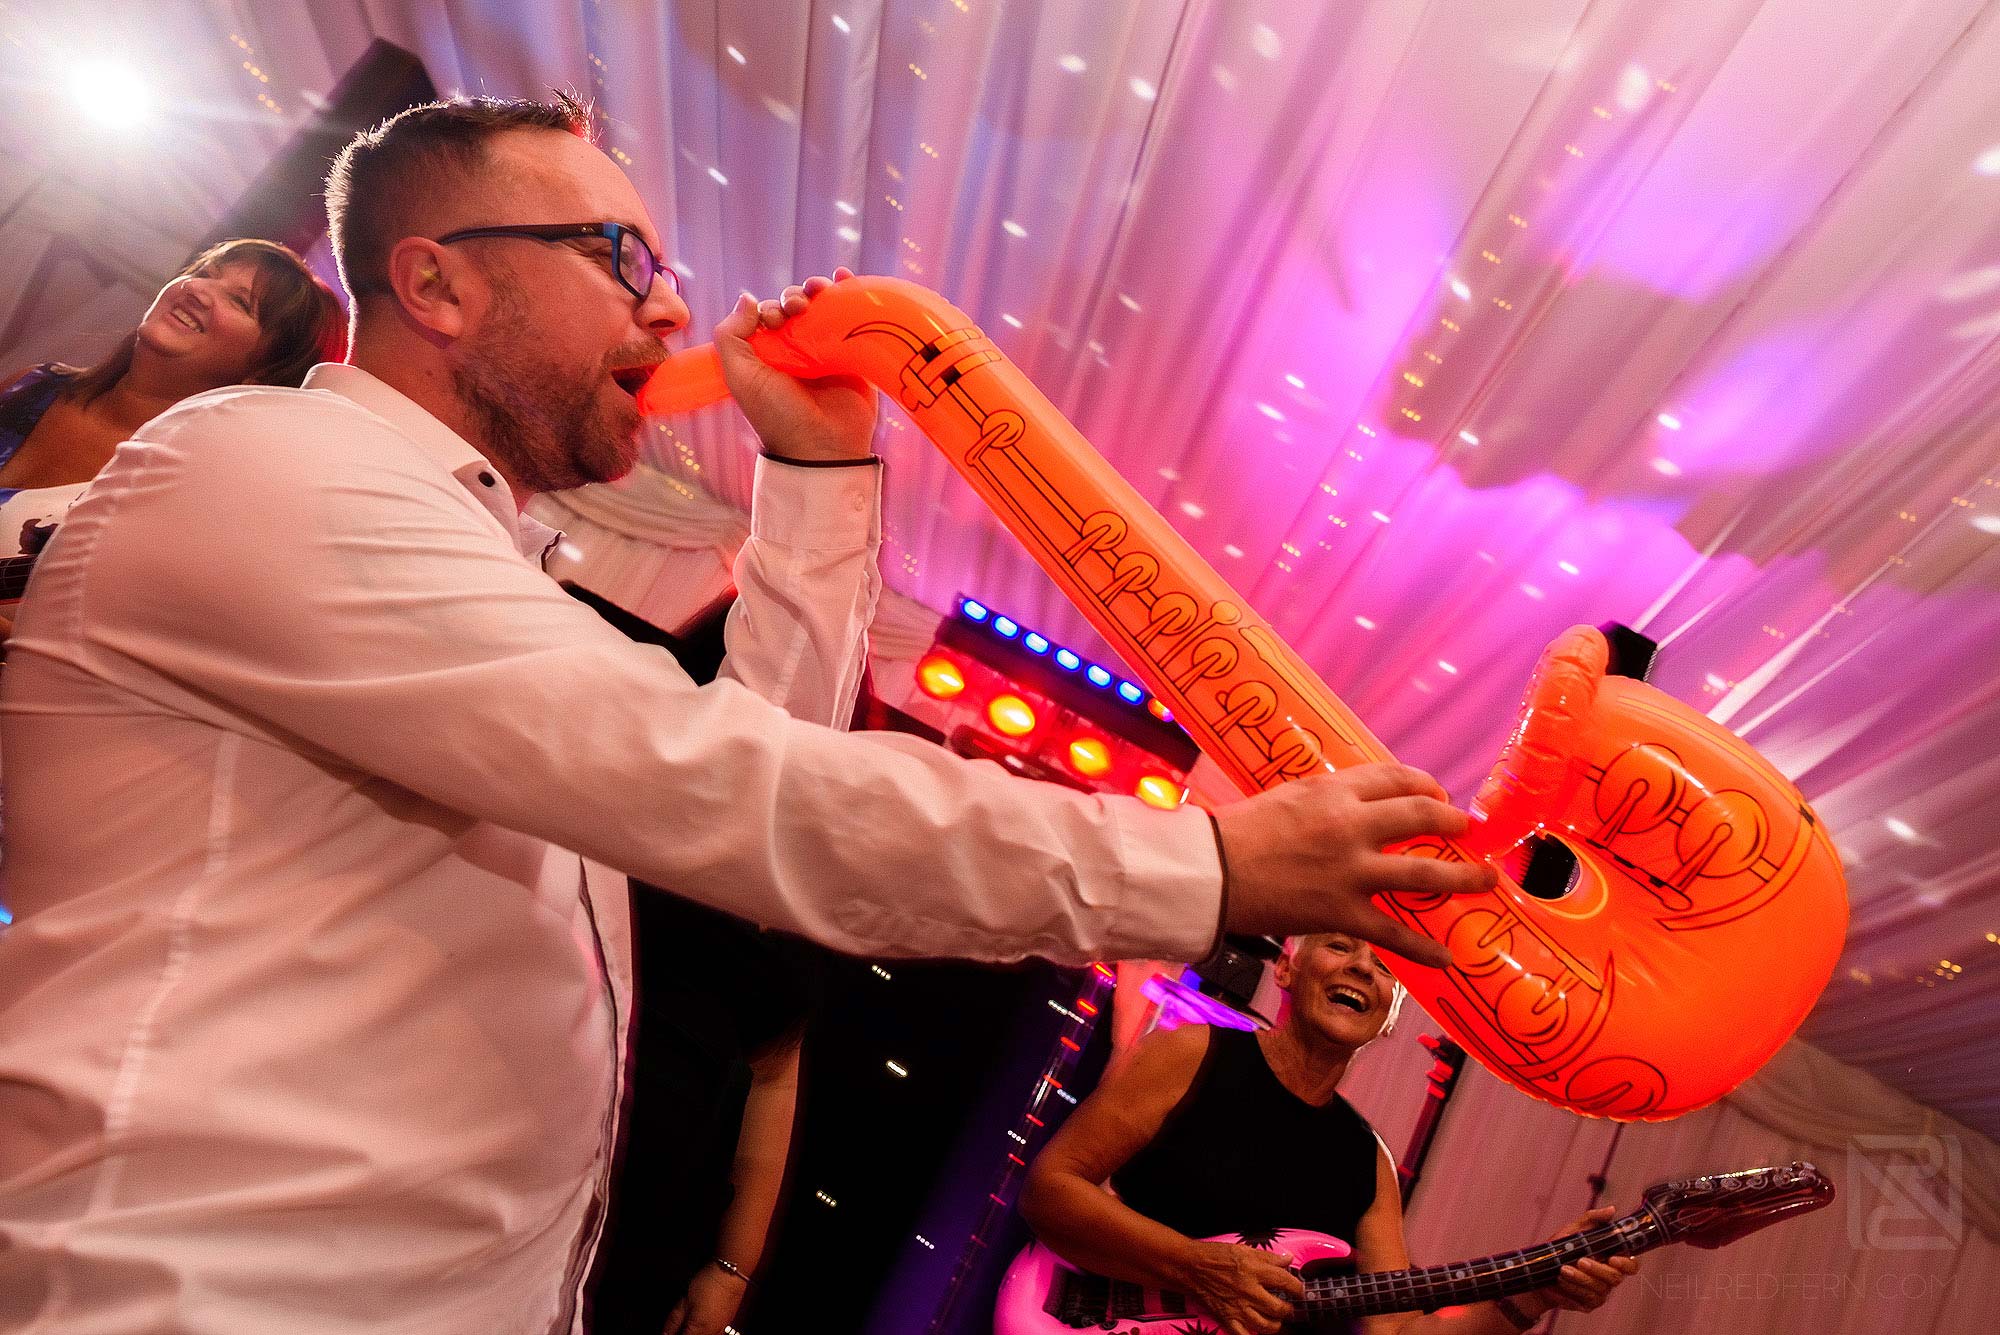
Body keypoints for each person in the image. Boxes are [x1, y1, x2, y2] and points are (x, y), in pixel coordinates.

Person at [0, 93, 1494, 1333]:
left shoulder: (476, 550)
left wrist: (821, 473)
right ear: (437, 284)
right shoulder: (269, 466)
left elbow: (734, 795)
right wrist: (1209, 864)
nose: (671, 304)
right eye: (618, 254)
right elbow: (719, 785)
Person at [1021, 935, 1640, 1335]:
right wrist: (1196, 1267)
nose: (1363, 968)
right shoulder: (1192, 1055)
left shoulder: (1367, 1162)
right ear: (1286, 968)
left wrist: (1535, 1293)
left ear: (1392, 1012)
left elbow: (1397, 1333)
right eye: (1341, 946)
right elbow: (1049, 1189)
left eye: (1387, 967)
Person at [0, 237, 344, 635]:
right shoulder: (33, 386)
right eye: (204, 273)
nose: (196, 288)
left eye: (239, 301)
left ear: (266, 373)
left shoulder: (183, 500)